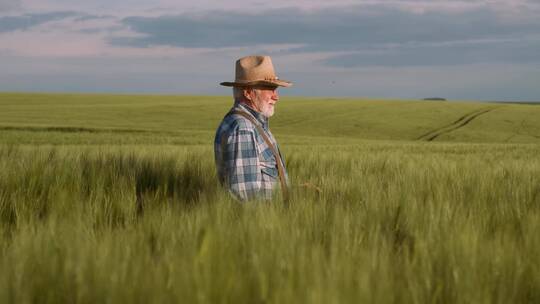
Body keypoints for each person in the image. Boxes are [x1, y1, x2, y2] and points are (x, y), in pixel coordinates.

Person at [214, 55, 292, 201]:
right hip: (263, 222)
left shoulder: (252, 124)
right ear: (249, 92)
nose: (276, 97)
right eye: (270, 89)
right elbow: (246, 197)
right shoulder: (243, 128)